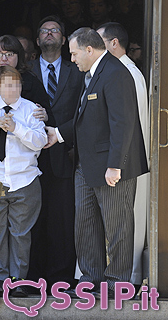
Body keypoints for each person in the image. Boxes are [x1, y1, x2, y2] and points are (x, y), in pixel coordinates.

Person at [45, 27, 148, 298]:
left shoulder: (115, 73)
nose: (73, 59)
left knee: (117, 226)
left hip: (110, 167)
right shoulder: (92, 74)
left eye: (75, 53)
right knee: (85, 224)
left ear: (90, 50)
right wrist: (57, 133)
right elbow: (85, 117)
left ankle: (117, 284)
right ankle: (91, 280)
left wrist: (115, 165)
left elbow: (122, 123)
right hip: (86, 165)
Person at [0, 66, 47, 297]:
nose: (14, 89)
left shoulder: (30, 109)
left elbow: (40, 140)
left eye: (17, 84)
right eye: (7, 85)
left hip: (24, 179)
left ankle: (17, 280)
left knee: (21, 233)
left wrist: (17, 128)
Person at [26, 16, 83, 289]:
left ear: (63, 39)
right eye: (44, 30)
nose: (50, 34)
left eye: (55, 30)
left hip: (65, 154)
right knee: (33, 218)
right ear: (37, 40)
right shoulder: (24, 71)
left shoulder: (77, 71)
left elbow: (83, 113)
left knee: (62, 219)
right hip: (30, 157)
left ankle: (61, 278)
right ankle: (32, 277)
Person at [97, 22, 150, 286]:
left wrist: (116, 163)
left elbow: (128, 123)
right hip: (118, 161)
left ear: (114, 43)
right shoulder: (117, 71)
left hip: (123, 163)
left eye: (100, 43)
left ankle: (124, 279)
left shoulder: (126, 73)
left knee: (123, 220)